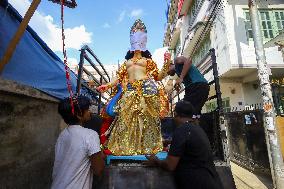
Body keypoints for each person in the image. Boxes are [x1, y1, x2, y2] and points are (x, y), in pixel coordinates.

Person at [97, 19, 171, 155]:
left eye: (140, 34)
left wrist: (166, 63)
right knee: (125, 119)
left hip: (146, 91)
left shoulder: (148, 61)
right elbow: (118, 77)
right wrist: (107, 85)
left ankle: (147, 147)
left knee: (148, 120)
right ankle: (126, 147)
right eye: (134, 34)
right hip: (130, 91)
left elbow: (158, 77)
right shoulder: (127, 63)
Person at [145, 100, 223, 189]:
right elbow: (189, 143)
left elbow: (170, 165)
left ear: (175, 114)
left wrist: (155, 160)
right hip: (211, 182)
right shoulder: (196, 128)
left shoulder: (181, 130)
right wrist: (170, 142)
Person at [51, 95, 105, 189]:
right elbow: (98, 170)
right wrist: (102, 155)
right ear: (79, 115)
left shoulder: (63, 134)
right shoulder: (90, 135)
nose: (90, 112)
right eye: (87, 109)